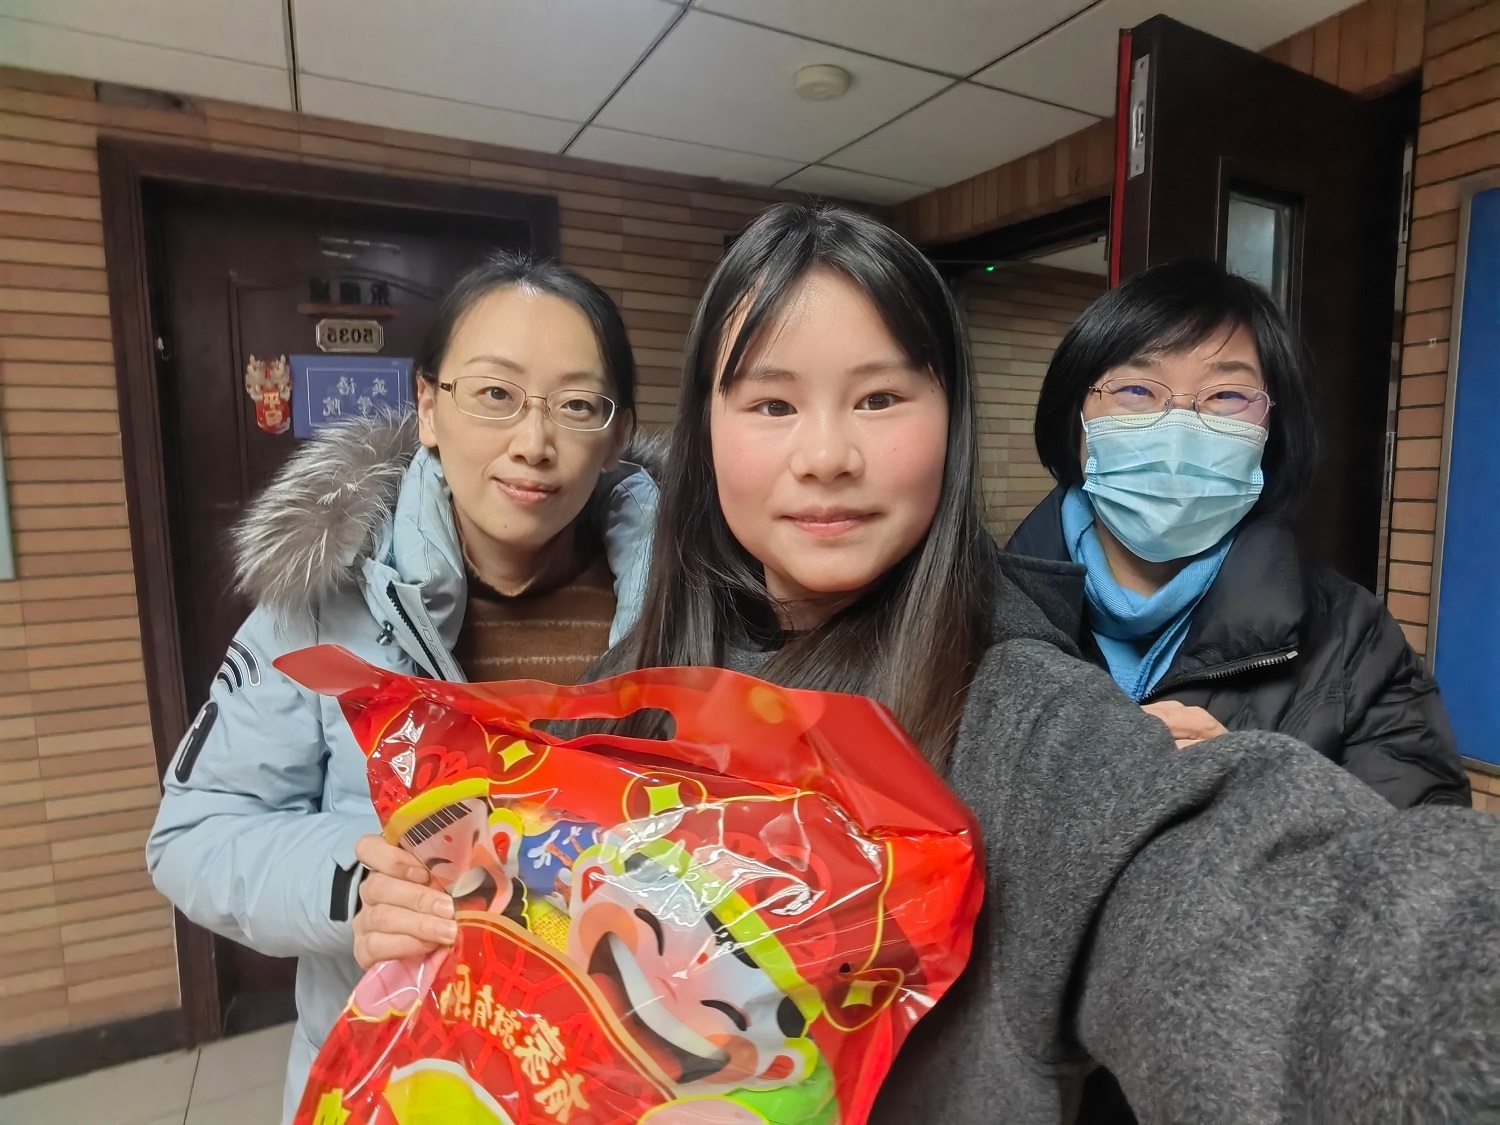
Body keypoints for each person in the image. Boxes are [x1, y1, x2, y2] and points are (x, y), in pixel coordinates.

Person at [351, 206, 1499, 1123]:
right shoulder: (640, 678)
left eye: (881, 397)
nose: (828, 454)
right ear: (704, 428)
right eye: (771, 401)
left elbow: (1302, 950)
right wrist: (434, 912)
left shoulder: (1023, 717)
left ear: (950, 419)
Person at [145, 252, 661, 1123]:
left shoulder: (686, 605)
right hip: (392, 1077)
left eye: (577, 405)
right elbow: (194, 832)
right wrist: (357, 884)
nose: (533, 442)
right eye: (494, 394)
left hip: (620, 1076)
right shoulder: (322, 599)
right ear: (428, 405)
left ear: (616, 433)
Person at [1005, 259, 1469, 812]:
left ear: (1271, 430)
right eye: (1135, 388)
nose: (1178, 428)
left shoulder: (1352, 640)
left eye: (1226, 395)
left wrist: (1255, 802)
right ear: (1074, 416)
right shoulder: (973, 615)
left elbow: (1423, 840)